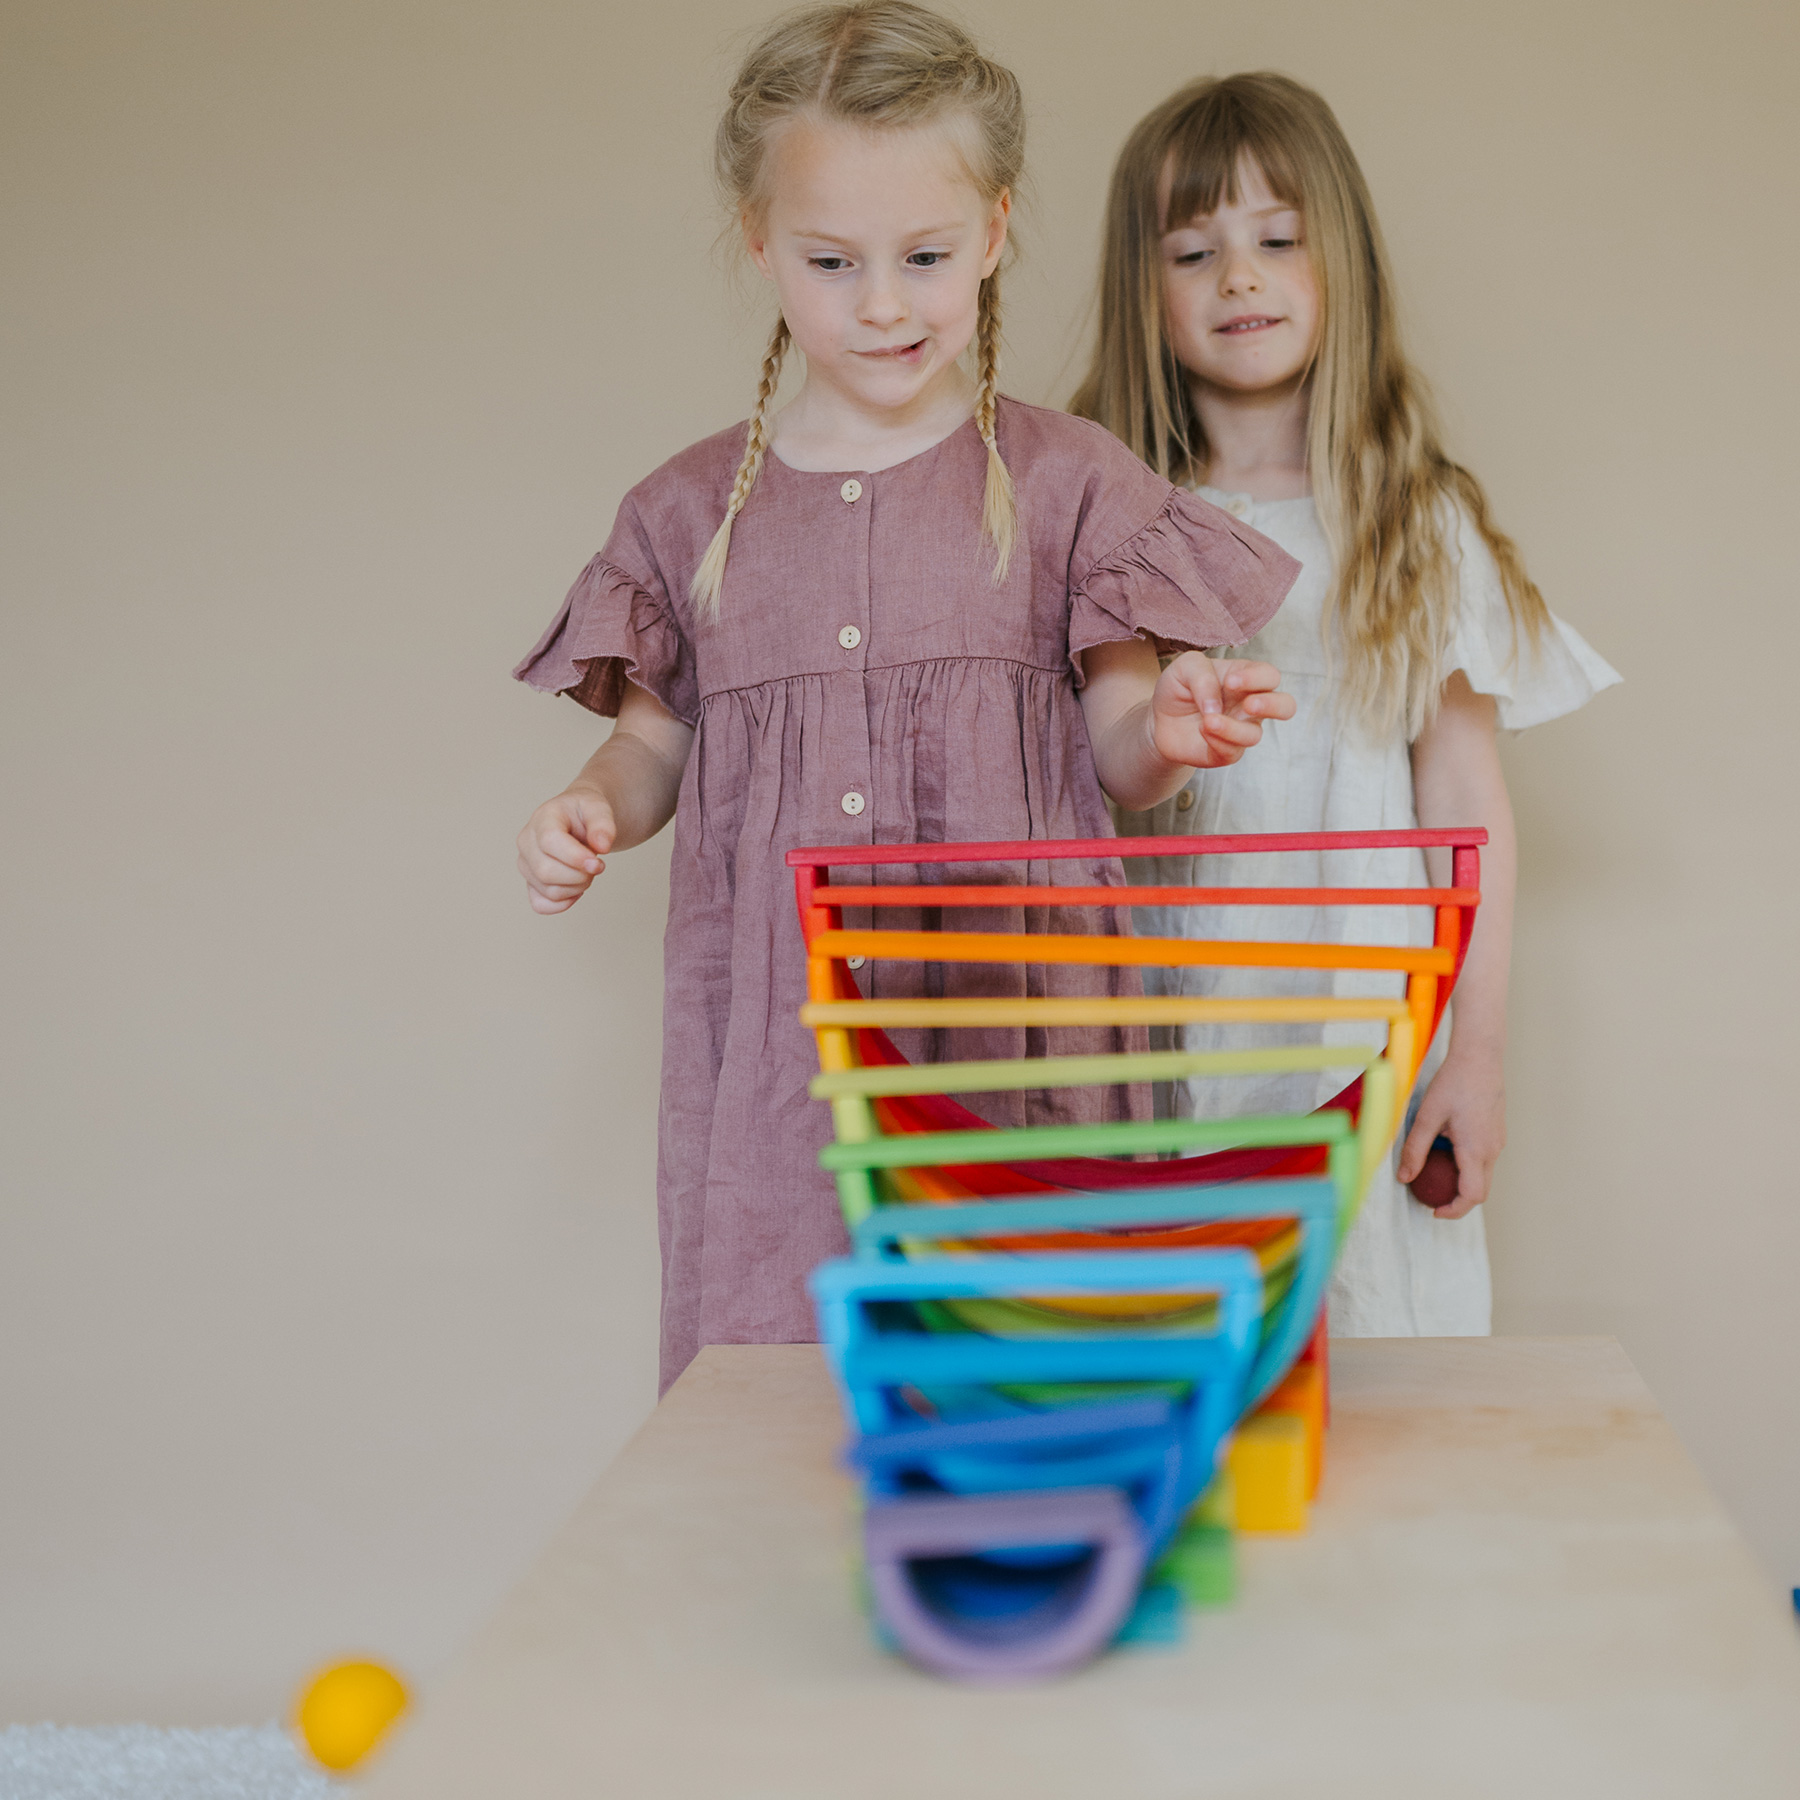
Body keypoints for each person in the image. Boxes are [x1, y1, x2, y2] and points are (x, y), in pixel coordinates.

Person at [512, 3, 1303, 1390]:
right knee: (786, 1393)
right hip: (786, 1068)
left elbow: (1123, 750)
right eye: (833, 262)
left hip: (1028, 1036)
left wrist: (1170, 733)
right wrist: (591, 805)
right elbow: (654, 744)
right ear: (760, 244)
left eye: (927, 258)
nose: (885, 305)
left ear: (994, 233)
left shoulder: (1069, 484)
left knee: (1036, 1380)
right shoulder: (688, 509)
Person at [1072, 72, 1619, 1336]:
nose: (1238, 279)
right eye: (1195, 251)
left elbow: (1468, 804)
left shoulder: (1409, 517)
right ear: (1144, 290)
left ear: (1342, 264)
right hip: (1161, 1005)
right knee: (1175, 1323)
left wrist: (1473, 1056)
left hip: (1359, 1008)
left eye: (1277, 241)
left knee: (1368, 1343)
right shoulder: (1103, 513)